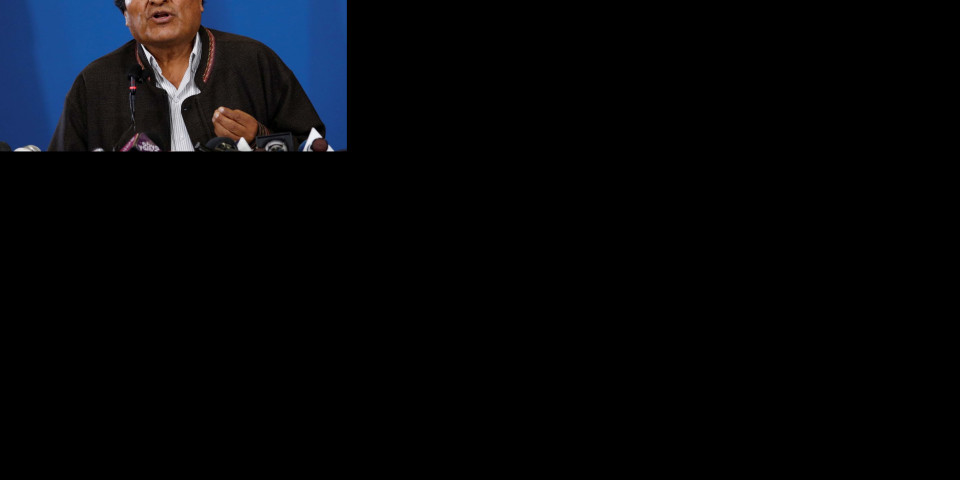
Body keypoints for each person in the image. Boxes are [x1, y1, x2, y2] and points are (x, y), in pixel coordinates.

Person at [48, 0, 328, 152]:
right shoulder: (94, 83)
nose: (158, 0)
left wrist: (259, 138)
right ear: (124, 13)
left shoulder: (252, 60)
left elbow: (312, 143)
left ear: (201, 3)